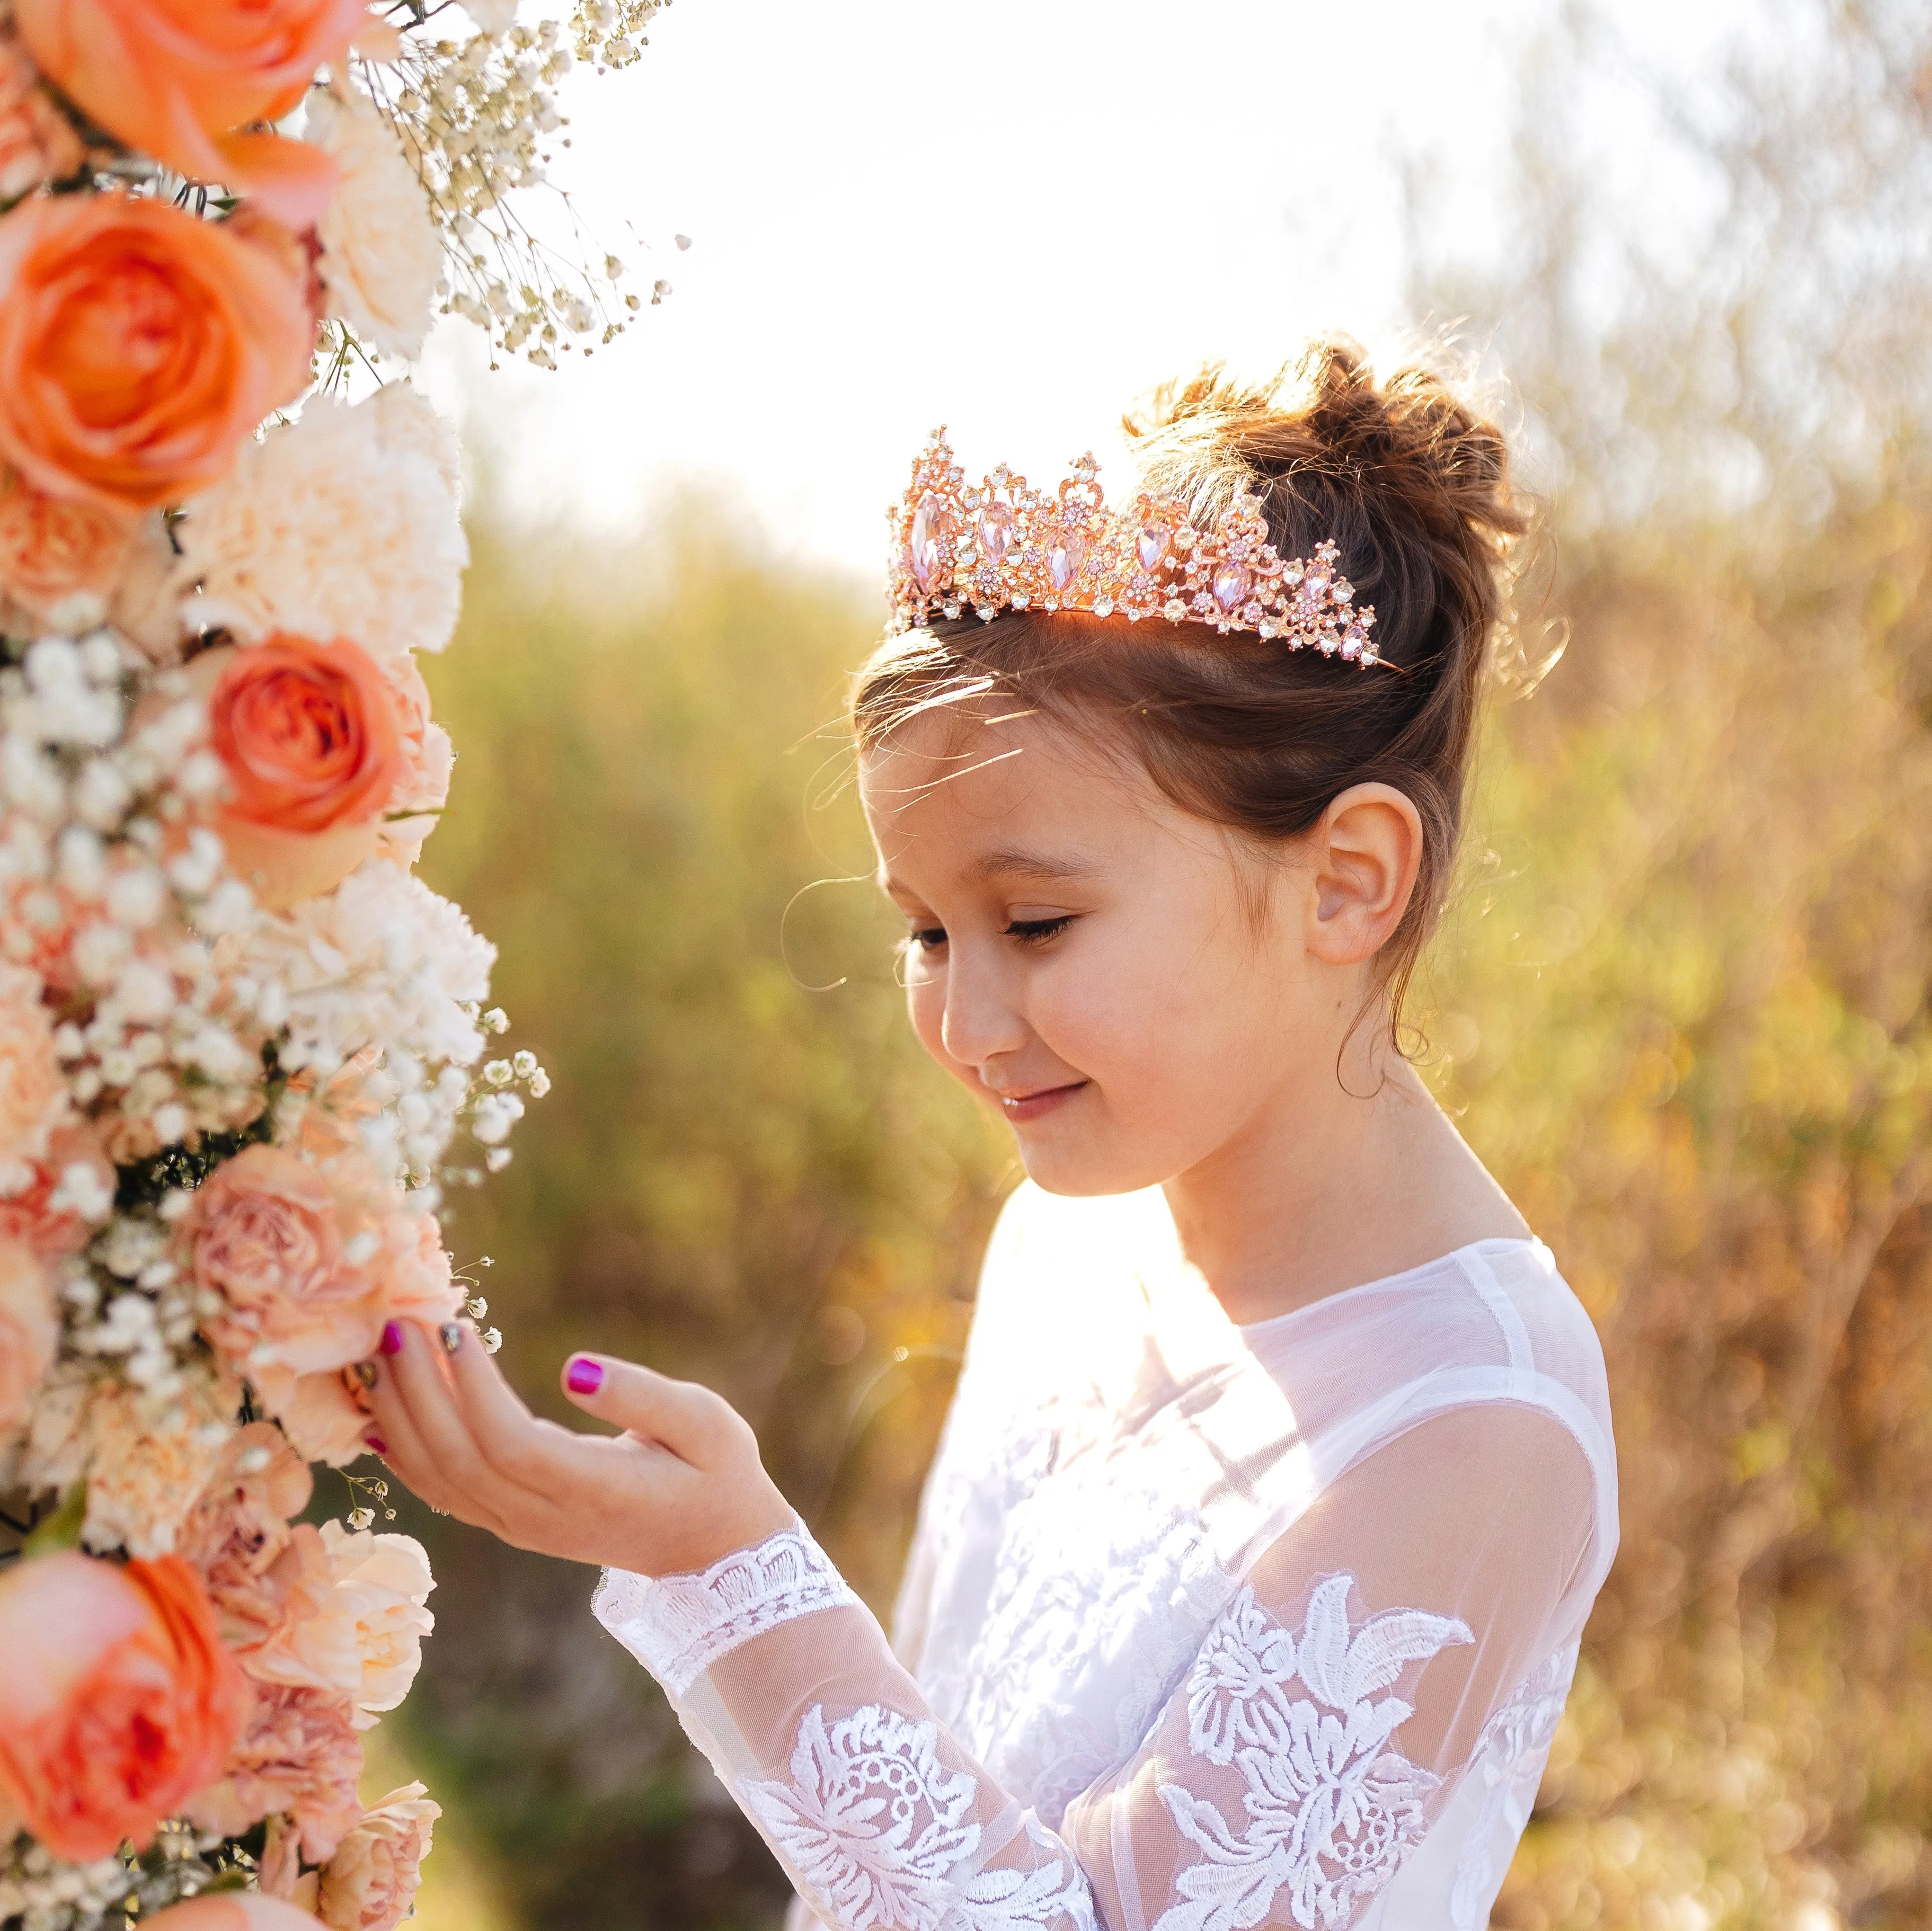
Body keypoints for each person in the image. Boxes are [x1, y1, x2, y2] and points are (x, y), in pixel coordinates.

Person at [358, 342, 1618, 1931]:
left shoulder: (1472, 1424)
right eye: (925, 931)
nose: (963, 1022)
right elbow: (955, 1811)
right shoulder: (1074, 1232)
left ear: (1346, 878)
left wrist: (730, 1571)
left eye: (1033, 916)